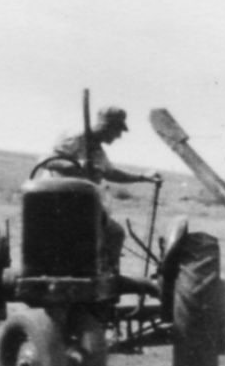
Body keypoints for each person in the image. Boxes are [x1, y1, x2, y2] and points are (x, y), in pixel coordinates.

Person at [51, 106, 162, 274]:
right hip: (59, 200)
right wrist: (77, 166)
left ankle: (107, 275)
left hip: (86, 204)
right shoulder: (75, 137)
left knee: (114, 233)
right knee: (111, 232)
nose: (119, 136)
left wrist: (142, 177)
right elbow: (49, 161)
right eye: (118, 131)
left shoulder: (97, 150)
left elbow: (111, 173)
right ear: (106, 127)